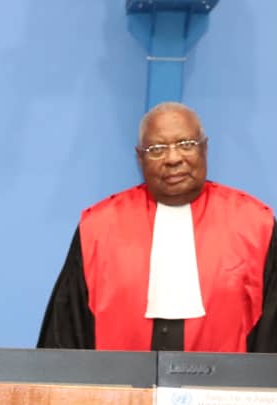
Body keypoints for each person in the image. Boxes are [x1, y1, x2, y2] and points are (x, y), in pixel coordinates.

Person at [39, 102, 277, 352]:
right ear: (139, 157)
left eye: (186, 145)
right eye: (157, 149)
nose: (173, 159)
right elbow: (65, 336)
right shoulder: (98, 228)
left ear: (205, 149)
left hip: (225, 386)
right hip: (120, 386)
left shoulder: (254, 224)